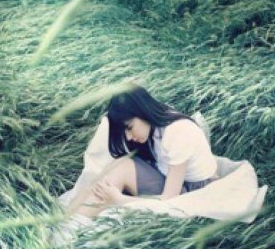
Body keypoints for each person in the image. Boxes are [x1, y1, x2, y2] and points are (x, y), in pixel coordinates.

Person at [71, 84, 219, 218]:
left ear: (143, 112)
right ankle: (68, 218)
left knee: (121, 170)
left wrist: (119, 200)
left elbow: (170, 200)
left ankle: (73, 224)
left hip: (192, 191)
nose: (128, 137)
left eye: (129, 127)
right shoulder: (156, 123)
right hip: (169, 178)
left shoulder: (177, 131)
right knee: (116, 167)